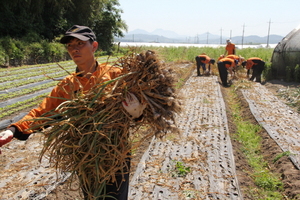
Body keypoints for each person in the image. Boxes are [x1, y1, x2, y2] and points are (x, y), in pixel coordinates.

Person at [0, 25, 145, 200]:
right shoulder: (66, 86)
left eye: (80, 43)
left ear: (94, 46)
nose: (74, 49)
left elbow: (145, 104)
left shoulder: (115, 75)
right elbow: (41, 112)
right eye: (70, 45)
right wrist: (12, 131)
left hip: (116, 154)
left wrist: (138, 114)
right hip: (85, 157)